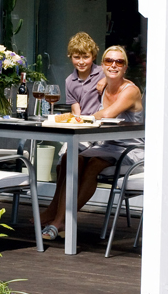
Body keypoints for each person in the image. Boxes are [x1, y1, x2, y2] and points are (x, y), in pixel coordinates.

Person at [41, 45, 144, 241]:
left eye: (119, 62)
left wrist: (79, 120)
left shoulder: (130, 90)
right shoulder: (103, 85)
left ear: (125, 67)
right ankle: (58, 215)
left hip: (130, 149)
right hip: (106, 145)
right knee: (72, 160)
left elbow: (107, 114)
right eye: (109, 61)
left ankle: (60, 220)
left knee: (93, 165)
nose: (113, 65)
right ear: (102, 65)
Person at [64, 32, 103, 115]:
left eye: (86, 57)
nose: (81, 62)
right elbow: (76, 111)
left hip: (102, 122)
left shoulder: (103, 73)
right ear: (70, 57)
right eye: (77, 57)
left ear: (94, 57)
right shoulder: (69, 81)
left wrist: (107, 79)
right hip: (83, 123)